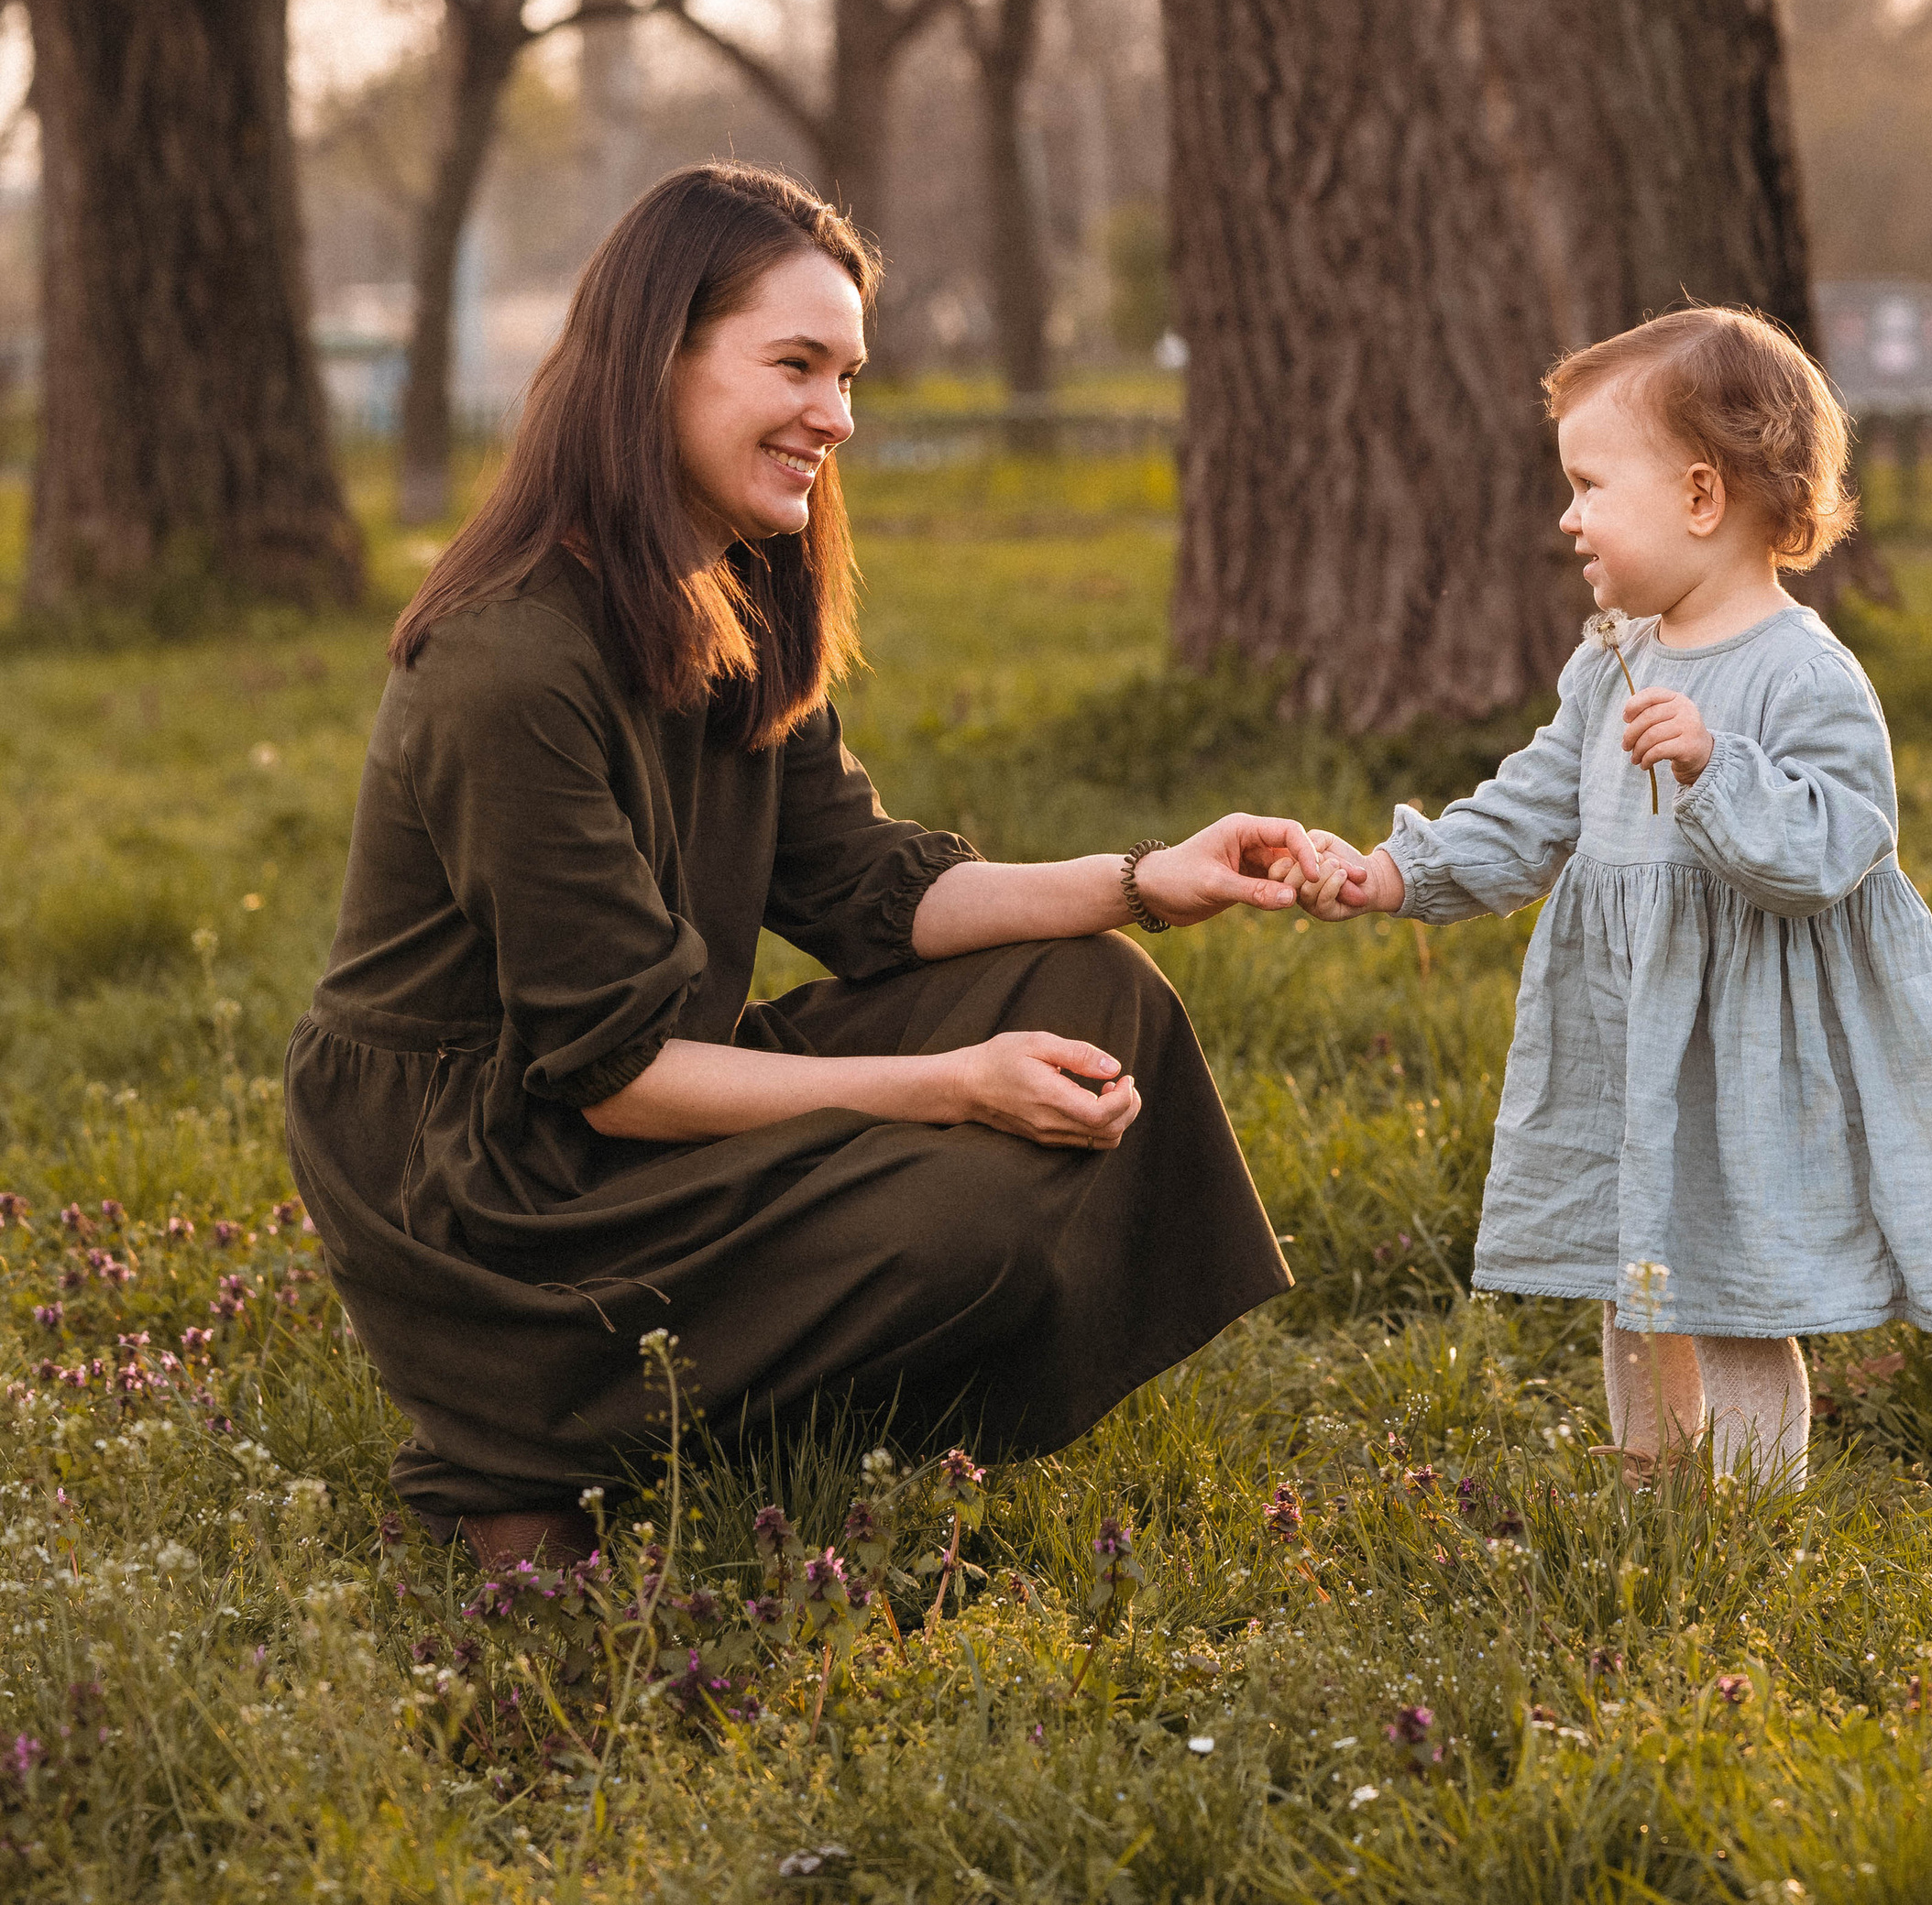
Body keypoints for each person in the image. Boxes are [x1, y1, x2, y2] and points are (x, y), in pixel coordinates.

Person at [285, 162, 1324, 1572]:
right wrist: (946, 1088)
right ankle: (524, 1442)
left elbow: (864, 887)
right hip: (488, 1181)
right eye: (796, 366)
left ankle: (779, 1433)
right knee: (967, 1203)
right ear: (658, 358)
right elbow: (619, 1071)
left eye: (848, 375)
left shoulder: (732, 585)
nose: (835, 418)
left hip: (619, 1101)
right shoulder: (509, 659)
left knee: (1098, 991)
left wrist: (1148, 877)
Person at [1285, 305, 1932, 1487]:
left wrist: (1718, 767)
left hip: (1741, 1043)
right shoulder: (1614, 654)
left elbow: (1842, 844)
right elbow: (1535, 806)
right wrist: (1395, 872)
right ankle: (1653, 1467)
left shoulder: (1804, 671)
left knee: (1721, 1271)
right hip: (1631, 1026)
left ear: (1698, 497)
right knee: (1642, 1259)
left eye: (1588, 485)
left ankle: (1744, 1504)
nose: (1568, 516)